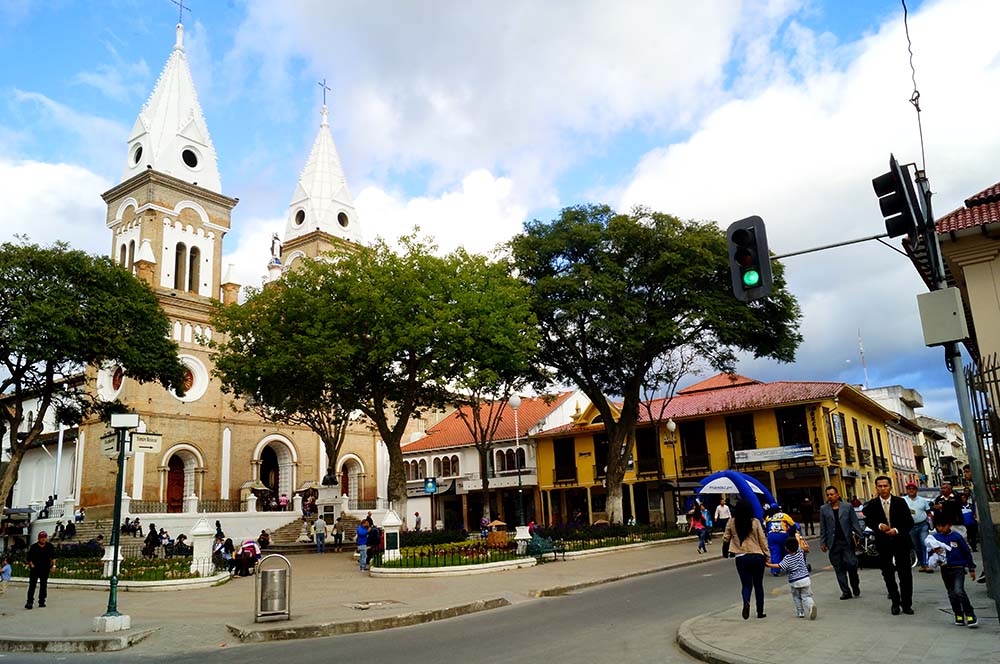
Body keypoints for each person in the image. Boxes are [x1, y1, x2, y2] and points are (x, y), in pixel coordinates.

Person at [863, 475, 915, 615]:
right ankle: (895, 602)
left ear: (890, 487)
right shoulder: (872, 504)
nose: (883, 489)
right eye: (880, 486)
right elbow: (869, 521)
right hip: (883, 543)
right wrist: (879, 526)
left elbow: (909, 522)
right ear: (876, 488)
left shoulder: (900, 502)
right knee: (888, 573)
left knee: (905, 574)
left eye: (885, 486)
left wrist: (896, 530)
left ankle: (907, 604)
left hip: (901, 541)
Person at [928, 513, 978, 627]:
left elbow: (966, 552)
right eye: (938, 526)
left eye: (943, 526)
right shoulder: (935, 538)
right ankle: (958, 614)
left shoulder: (956, 537)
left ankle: (970, 614)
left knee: (959, 591)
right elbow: (929, 552)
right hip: (945, 569)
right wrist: (934, 555)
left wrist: (971, 568)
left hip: (958, 568)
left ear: (949, 525)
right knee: (951, 594)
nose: (940, 528)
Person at [722, 500, 769, 620]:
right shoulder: (755, 522)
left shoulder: (732, 522)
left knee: (746, 585)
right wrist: (767, 556)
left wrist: (725, 551)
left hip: (741, 557)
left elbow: (726, 538)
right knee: (758, 585)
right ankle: (760, 612)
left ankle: (746, 601)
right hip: (757, 556)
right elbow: (763, 540)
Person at [819, 485, 864, 599]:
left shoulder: (847, 507)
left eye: (832, 494)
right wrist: (823, 542)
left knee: (852, 565)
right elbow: (823, 527)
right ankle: (845, 591)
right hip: (833, 544)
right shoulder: (824, 509)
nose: (830, 496)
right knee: (839, 568)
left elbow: (854, 523)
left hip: (847, 542)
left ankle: (855, 585)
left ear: (837, 495)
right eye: (828, 494)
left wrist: (859, 537)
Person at [765, 536, 817, 620]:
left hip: (795, 581)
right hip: (805, 579)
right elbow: (798, 542)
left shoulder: (787, 558)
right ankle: (811, 606)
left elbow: (779, 566)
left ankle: (800, 612)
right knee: (806, 596)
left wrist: (768, 565)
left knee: (796, 597)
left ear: (786, 548)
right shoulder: (800, 552)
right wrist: (797, 535)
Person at [903, 482, 934, 572]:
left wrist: (932, 524)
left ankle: (926, 564)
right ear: (907, 490)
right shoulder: (903, 500)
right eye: (909, 489)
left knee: (924, 543)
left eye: (913, 488)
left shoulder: (922, 500)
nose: (911, 490)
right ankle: (922, 563)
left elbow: (929, 513)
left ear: (916, 490)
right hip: (911, 526)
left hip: (922, 525)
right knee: (917, 546)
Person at [25, 531, 56, 609]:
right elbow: (29, 558)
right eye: (42, 538)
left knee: (43, 585)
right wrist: (31, 564)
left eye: (45, 537)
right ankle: (29, 602)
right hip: (35, 569)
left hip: (45, 568)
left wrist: (54, 566)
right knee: (32, 585)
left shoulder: (49, 546)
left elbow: (53, 557)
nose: (43, 539)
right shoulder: (34, 547)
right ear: (39, 538)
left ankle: (42, 601)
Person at [763, 504, 796, 575]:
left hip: (771, 536)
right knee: (787, 550)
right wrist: (792, 534)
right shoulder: (784, 515)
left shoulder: (768, 517)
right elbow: (793, 525)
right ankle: (788, 567)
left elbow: (765, 527)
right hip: (783, 535)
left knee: (774, 552)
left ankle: (775, 570)